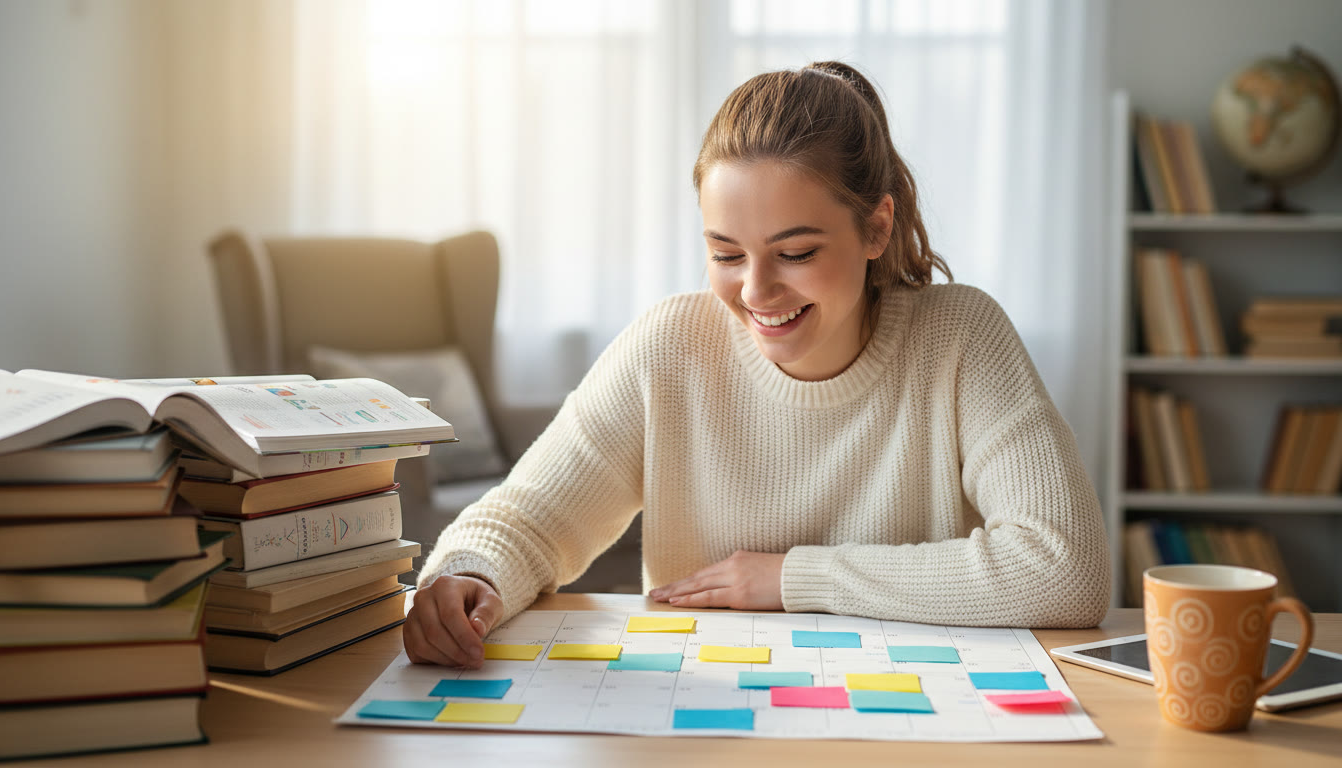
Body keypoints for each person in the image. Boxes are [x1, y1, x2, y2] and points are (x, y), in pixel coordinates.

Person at [404, 61, 1110, 669]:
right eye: (725, 252)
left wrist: (793, 578)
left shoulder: (962, 337)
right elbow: (526, 521)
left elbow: (1065, 570)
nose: (754, 291)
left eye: (796, 253)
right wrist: (468, 575)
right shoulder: (672, 347)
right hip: (710, 716)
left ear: (877, 227)